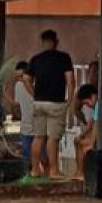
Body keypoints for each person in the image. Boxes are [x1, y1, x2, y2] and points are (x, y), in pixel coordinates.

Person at [28, 29, 75, 180]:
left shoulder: (35, 59)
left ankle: (35, 169)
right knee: (53, 138)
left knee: (38, 137)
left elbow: (25, 79)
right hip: (56, 103)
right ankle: (54, 170)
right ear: (56, 41)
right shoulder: (64, 58)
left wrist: (34, 93)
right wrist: (70, 98)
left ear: (43, 42)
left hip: (39, 102)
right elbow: (70, 80)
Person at [7, 61, 40, 176]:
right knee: (27, 160)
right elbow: (16, 104)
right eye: (18, 77)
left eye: (22, 77)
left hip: (38, 129)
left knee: (42, 157)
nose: (20, 80)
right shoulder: (18, 86)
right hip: (26, 129)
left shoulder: (36, 87)